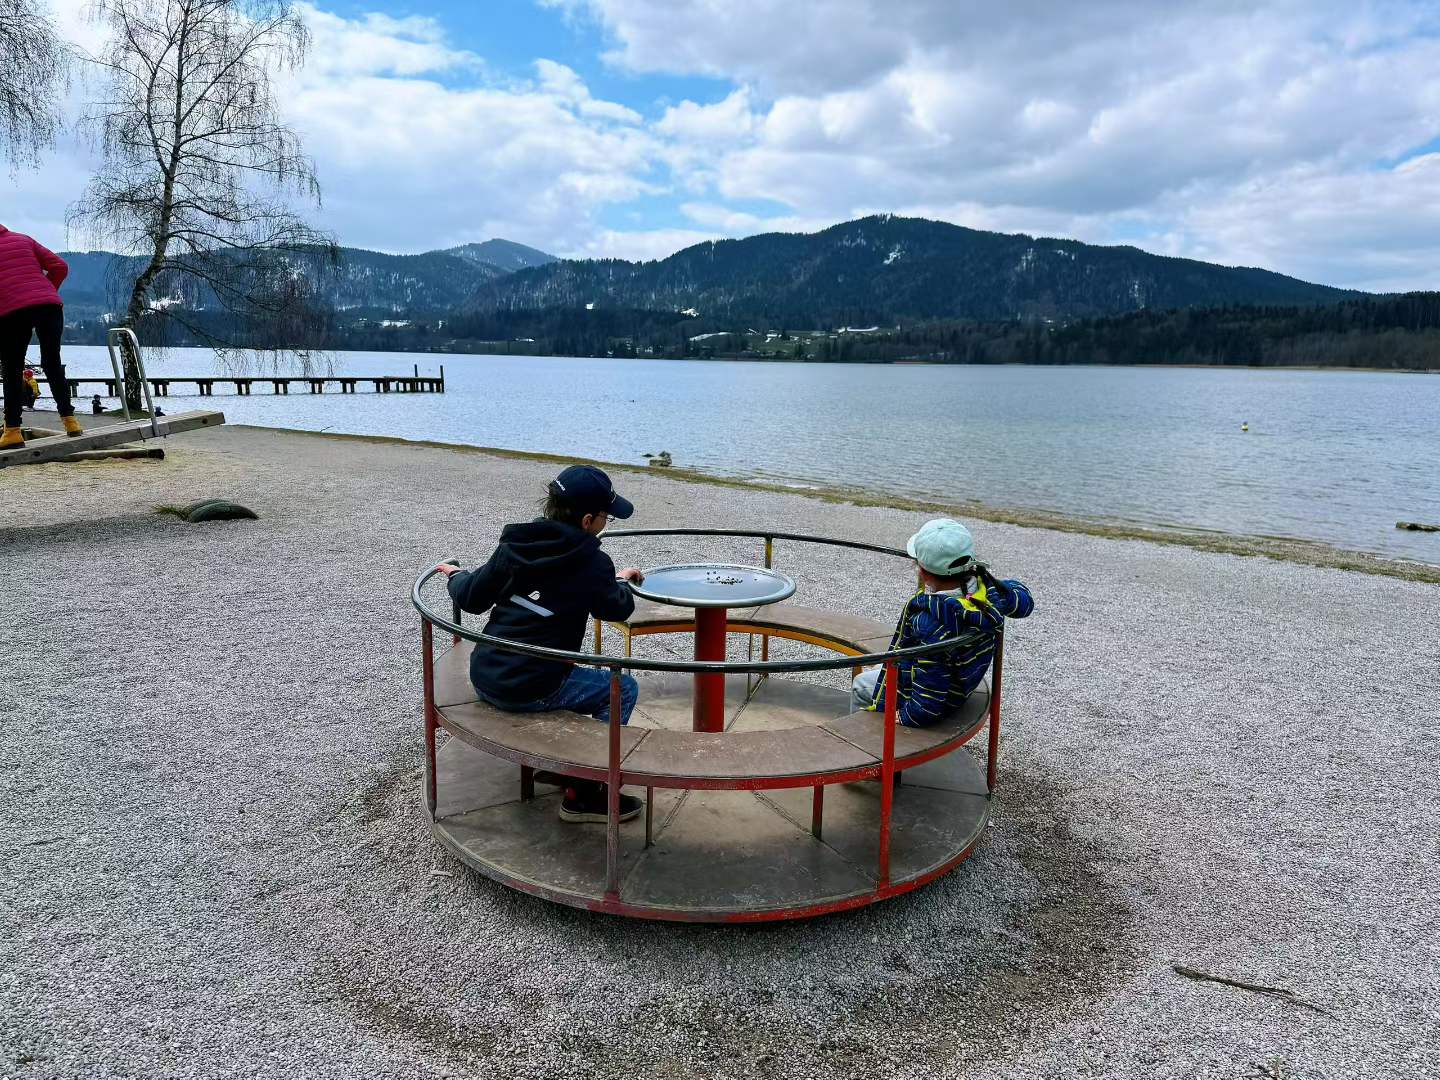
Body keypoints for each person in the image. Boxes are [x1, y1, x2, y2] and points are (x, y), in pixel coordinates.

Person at [436, 465, 647, 823]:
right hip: (535, 687)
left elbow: (471, 597)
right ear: (586, 520)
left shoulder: (517, 546)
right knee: (622, 688)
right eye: (606, 518)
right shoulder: (591, 561)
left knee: (566, 669)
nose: (605, 524)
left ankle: (568, 763)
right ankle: (584, 792)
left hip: (487, 675)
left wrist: (456, 576)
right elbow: (616, 607)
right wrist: (622, 581)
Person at [854, 518, 1034, 727]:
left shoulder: (931, 622)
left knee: (861, 685)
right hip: (963, 682)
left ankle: (863, 745)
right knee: (878, 668)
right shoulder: (990, 595)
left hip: (938, 700)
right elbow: (1024, 601)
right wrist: (995, 582)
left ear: (922, 572)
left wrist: (907, 716)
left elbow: (930, 691)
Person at [0, 224, 81, 448]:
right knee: (52, 363)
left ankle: (13, 430)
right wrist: (46, 290)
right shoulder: (23, 238)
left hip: (13, 312)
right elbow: (60, 266)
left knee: (12, 368)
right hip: (49, 306)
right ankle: (70, 422)